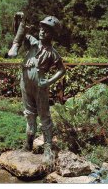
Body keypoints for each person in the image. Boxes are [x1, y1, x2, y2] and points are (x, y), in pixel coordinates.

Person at [8, 12, 66, 163]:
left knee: (44, 117)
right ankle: (28, 144)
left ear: (52, 34)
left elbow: (62, 70)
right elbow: (18, 35)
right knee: (29, 115)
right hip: (25, 84)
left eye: (46, 30)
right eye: (41, 28)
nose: (42, 31)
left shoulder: (52, 53)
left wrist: (49, 82)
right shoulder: (32, 43)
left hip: (40, 88)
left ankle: (48, 148)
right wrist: (18, 21)